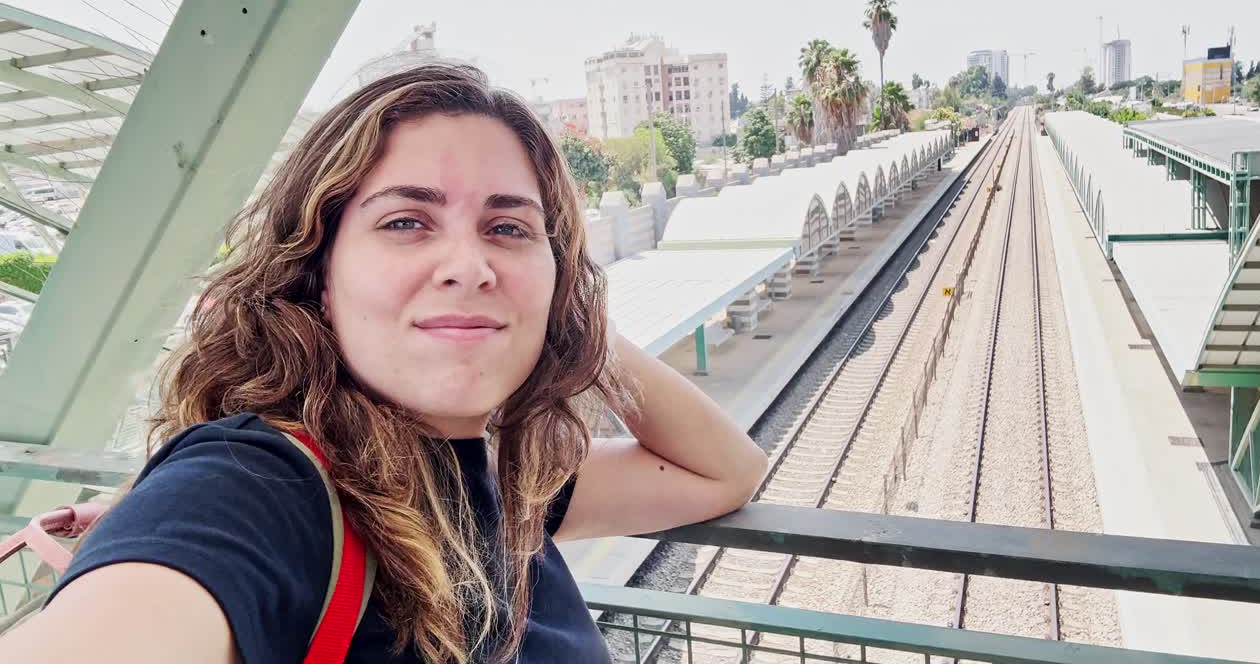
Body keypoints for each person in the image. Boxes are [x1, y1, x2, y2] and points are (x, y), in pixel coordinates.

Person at [1, 63, 767, 663]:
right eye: (406, 221)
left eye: (508, 228)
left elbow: (724, 471)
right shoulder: (254, 488)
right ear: (319, 278)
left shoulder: (511, 479)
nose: (468, 264)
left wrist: (563, 318)